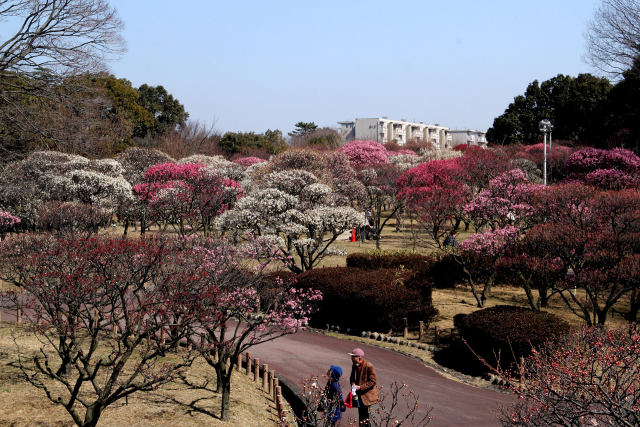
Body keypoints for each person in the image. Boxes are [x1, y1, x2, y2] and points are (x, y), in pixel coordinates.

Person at [348, 348, 378, 427]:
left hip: (367, 397)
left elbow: (373, 381)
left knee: (365, 417)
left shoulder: (369, 366)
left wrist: (360, 387)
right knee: (361, 416)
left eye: (353, 357)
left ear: (359, 358)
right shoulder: (354, 366)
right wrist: (353, 384)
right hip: (359, 396)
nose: (351, 359)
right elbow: (352, 378)